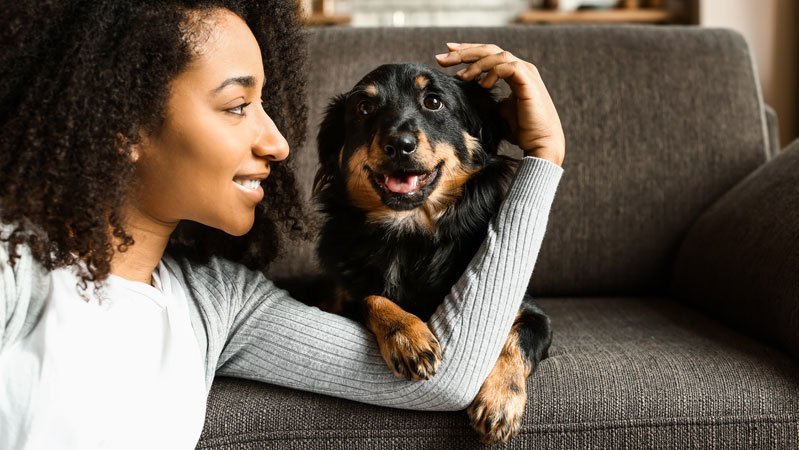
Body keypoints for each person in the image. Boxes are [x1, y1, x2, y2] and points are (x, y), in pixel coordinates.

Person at [0, 0, 565, 448]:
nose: (278, 143)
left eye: (267, 105)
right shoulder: (15, 272)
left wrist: (543, 159)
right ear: (124, 125)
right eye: (238, 105)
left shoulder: (220, 304)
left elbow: (448, 378)